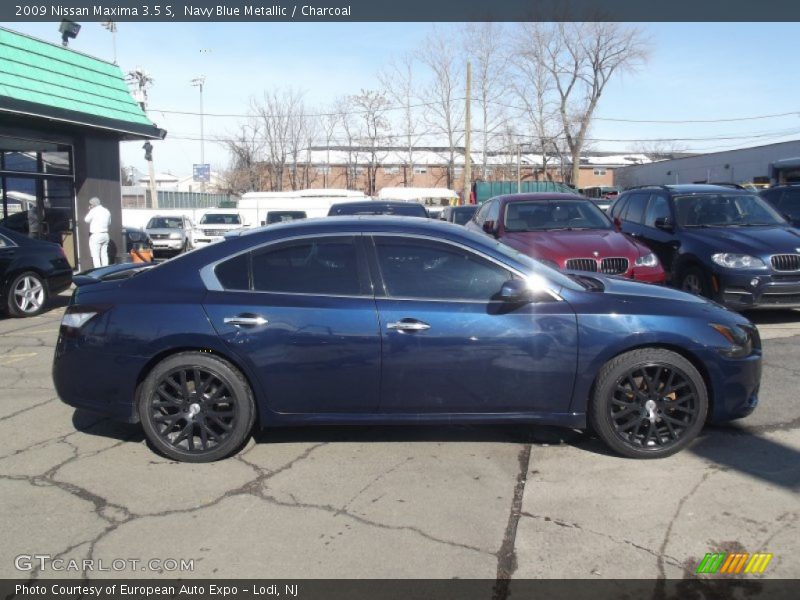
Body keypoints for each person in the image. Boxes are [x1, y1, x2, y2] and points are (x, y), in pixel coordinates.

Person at [84, 196, 111, 268]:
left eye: (90, 204)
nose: (90, 206)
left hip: (96, 235)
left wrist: (90, 210)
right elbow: (109, 223)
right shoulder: (106, 211)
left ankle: (98, 272)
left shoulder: (93, 210)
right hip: (105, 234)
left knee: (96, 256)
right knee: (104, 254)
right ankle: (106, 270)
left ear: (93, 205)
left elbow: (86, 220)